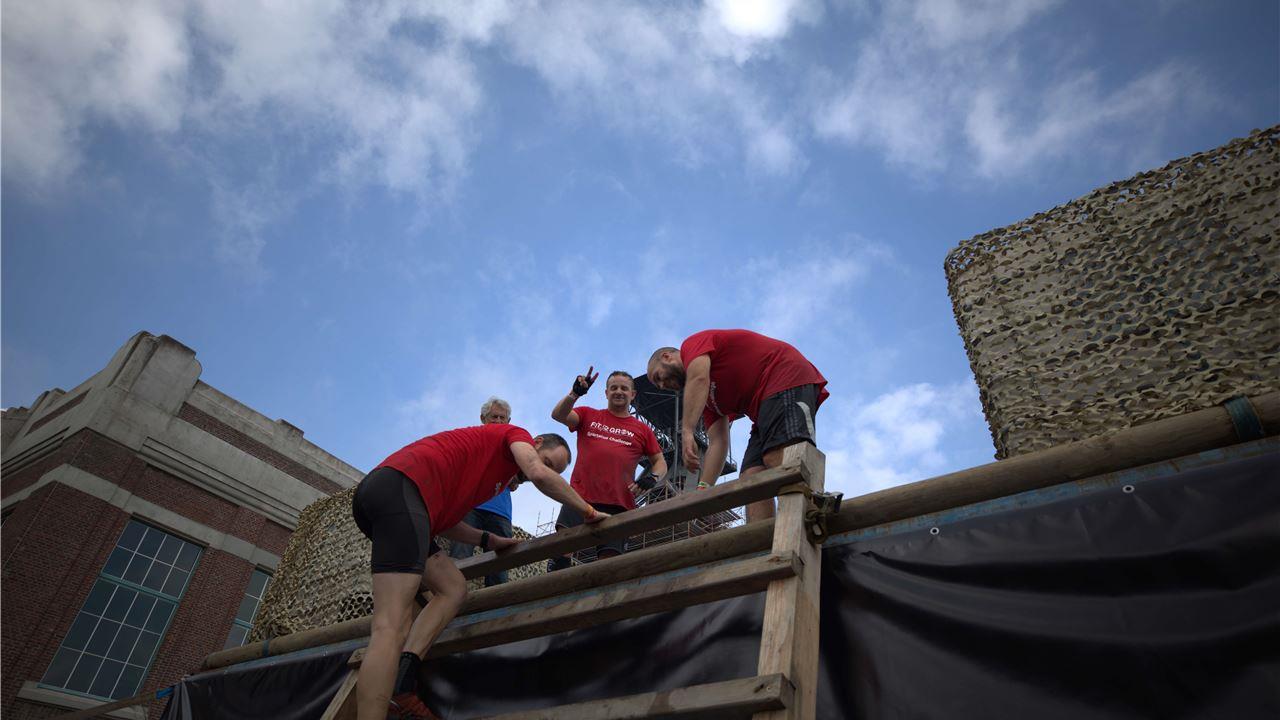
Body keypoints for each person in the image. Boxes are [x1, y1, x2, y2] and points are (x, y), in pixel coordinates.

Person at [351, 424, 607, 720]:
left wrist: (487, 540)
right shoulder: (516, 434)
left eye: (555, 470)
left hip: (402, 501)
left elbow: (444, 521)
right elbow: (537, 473)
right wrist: (588, 512)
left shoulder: (490, 479)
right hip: (401, 487)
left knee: (453, 588)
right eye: (549, 462)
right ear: (535, 443)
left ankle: (403, 679)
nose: (546, 471)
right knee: (390, 627)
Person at [647, 329, 828, 522]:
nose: (661, 386)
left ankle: (814, 513)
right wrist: (703, 488)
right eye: (657, 385)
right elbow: (718, 442)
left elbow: (698, 378)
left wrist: (687, 431)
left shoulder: (691, 344)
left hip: (784, 375)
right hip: (762, 411)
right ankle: (762, 538)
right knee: (752, 477)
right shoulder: (708, 402)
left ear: (666, 357)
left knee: (778, 454)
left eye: (658, 377)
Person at [548, 368, 667, 570]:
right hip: (579, 496)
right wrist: (574, 393)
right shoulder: (588, 414)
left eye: (624, 388)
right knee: (561, 552)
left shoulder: (642, 430)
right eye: (614, 388)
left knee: (609, 566)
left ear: (632, 394)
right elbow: (558, 415)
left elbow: (660, 462)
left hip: (619, 504)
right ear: (606, 393)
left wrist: (652, 478)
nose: (618, 391)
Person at [447, 397, 516, 586]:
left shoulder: (513, 445)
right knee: (460, 558)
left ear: (509, 421)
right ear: (483, 418)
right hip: (469, 505)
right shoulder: (472, 439)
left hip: (500, 512)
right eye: (494, 417)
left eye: (503, 418)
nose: (499, 421)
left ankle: (497, 604)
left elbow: (515, 482)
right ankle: (451, 598)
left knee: (500, 565)